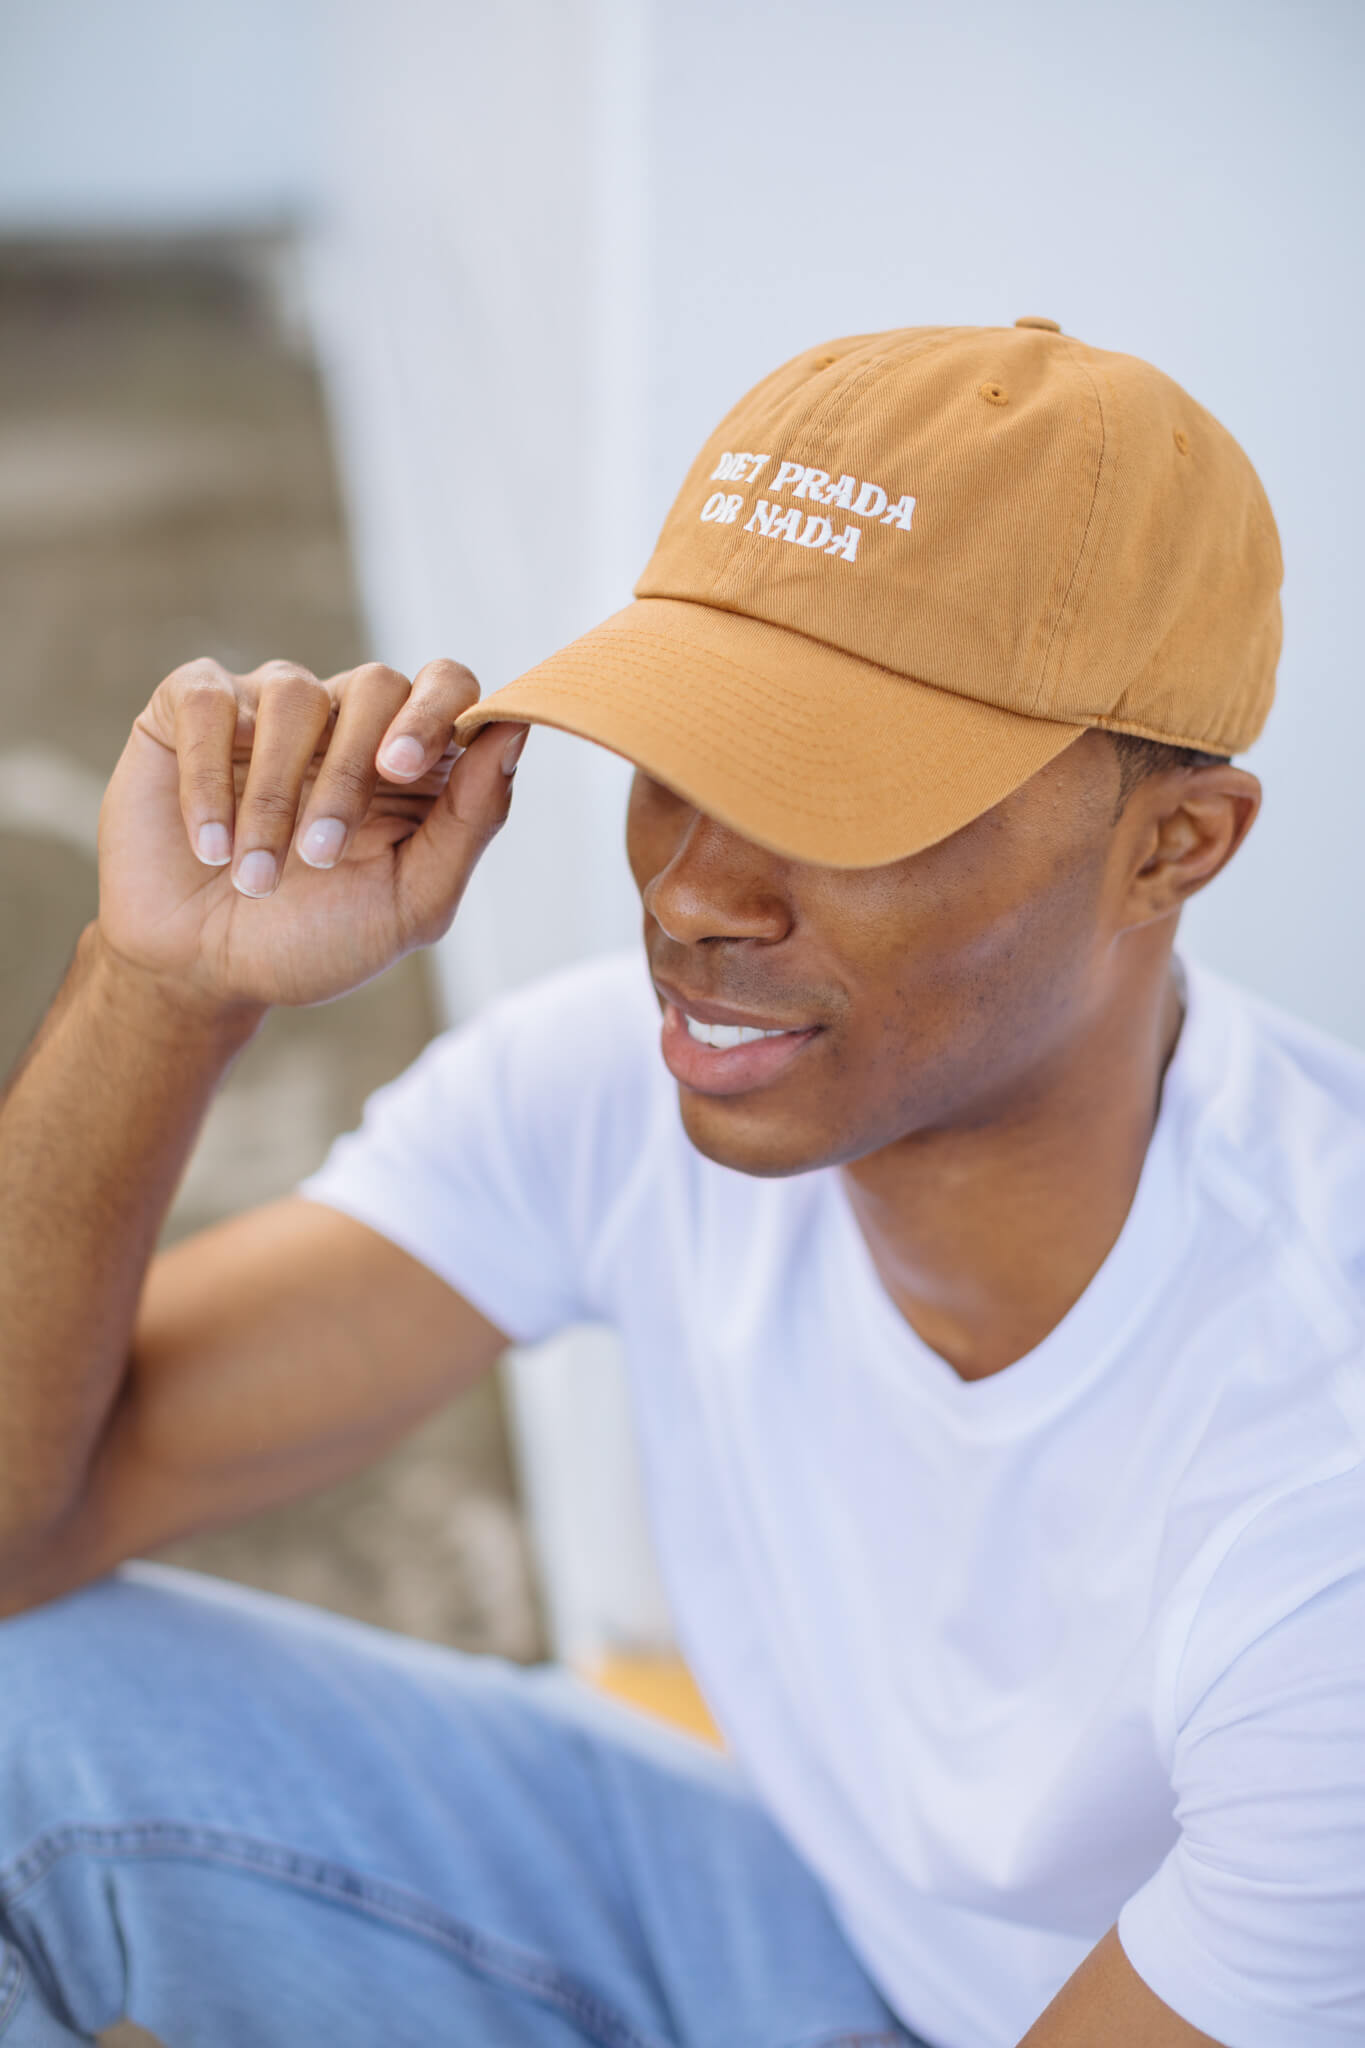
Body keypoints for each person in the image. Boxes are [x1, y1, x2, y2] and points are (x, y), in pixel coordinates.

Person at [0, 318, 1359, 2048]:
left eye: (848, 803)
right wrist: (164, 986)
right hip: (782, 1919)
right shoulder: (615, 1090)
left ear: (1174, 848)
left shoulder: (1321, 1494)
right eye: (680, 761)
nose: (697, 893)